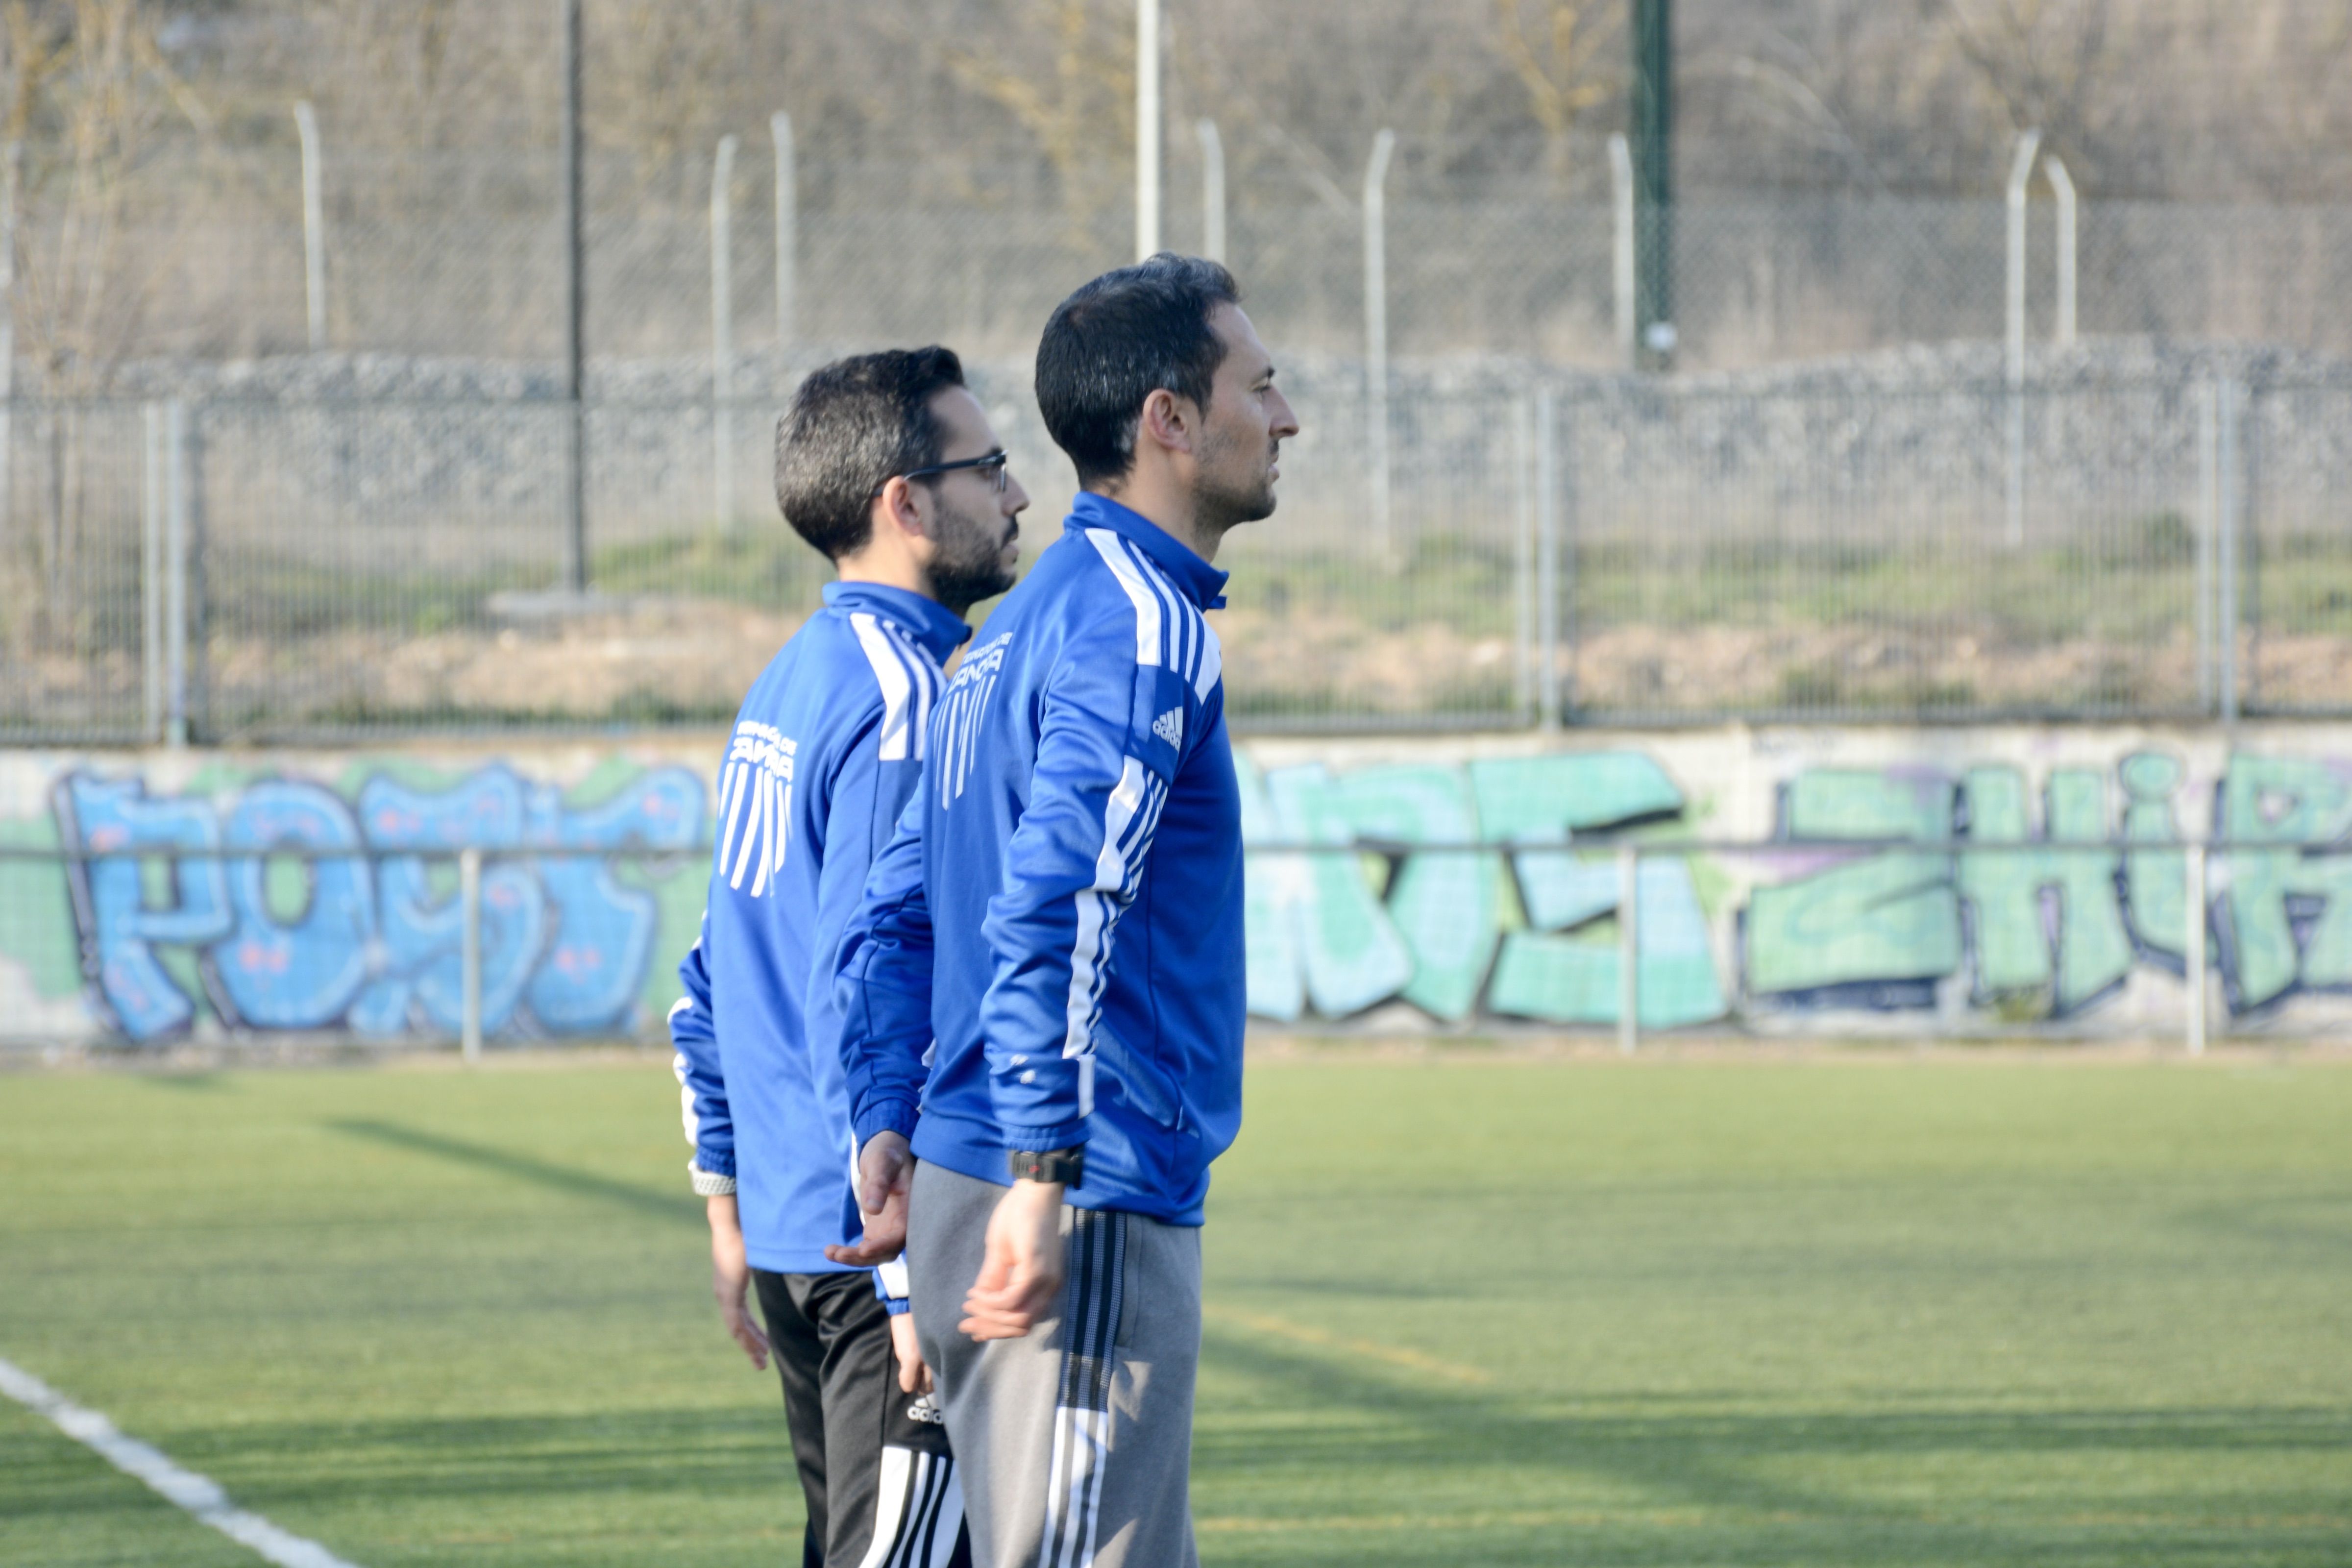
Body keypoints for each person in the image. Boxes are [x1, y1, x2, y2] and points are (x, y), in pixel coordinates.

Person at [826, 256, 1298, 1568]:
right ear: (1169, 421)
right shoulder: (1141, 623)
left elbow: (896, 911)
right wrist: (1044, 1169)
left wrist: (887, 1115)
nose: (1288, 417)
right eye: (1259, 386)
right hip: (1078, 1187)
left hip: (981, 1168)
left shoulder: (1011, 634)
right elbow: (1061, 897)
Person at [671, 345, 1027, 1568]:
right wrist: (905, 1278)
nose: (1018, 494)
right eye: (988, 465)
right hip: (870, 1247)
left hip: (788, 1232)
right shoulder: (911, 694)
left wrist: (725, 1203)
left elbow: (706, 977)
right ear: (906, 502)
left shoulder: (785, 683)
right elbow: (863, 981)